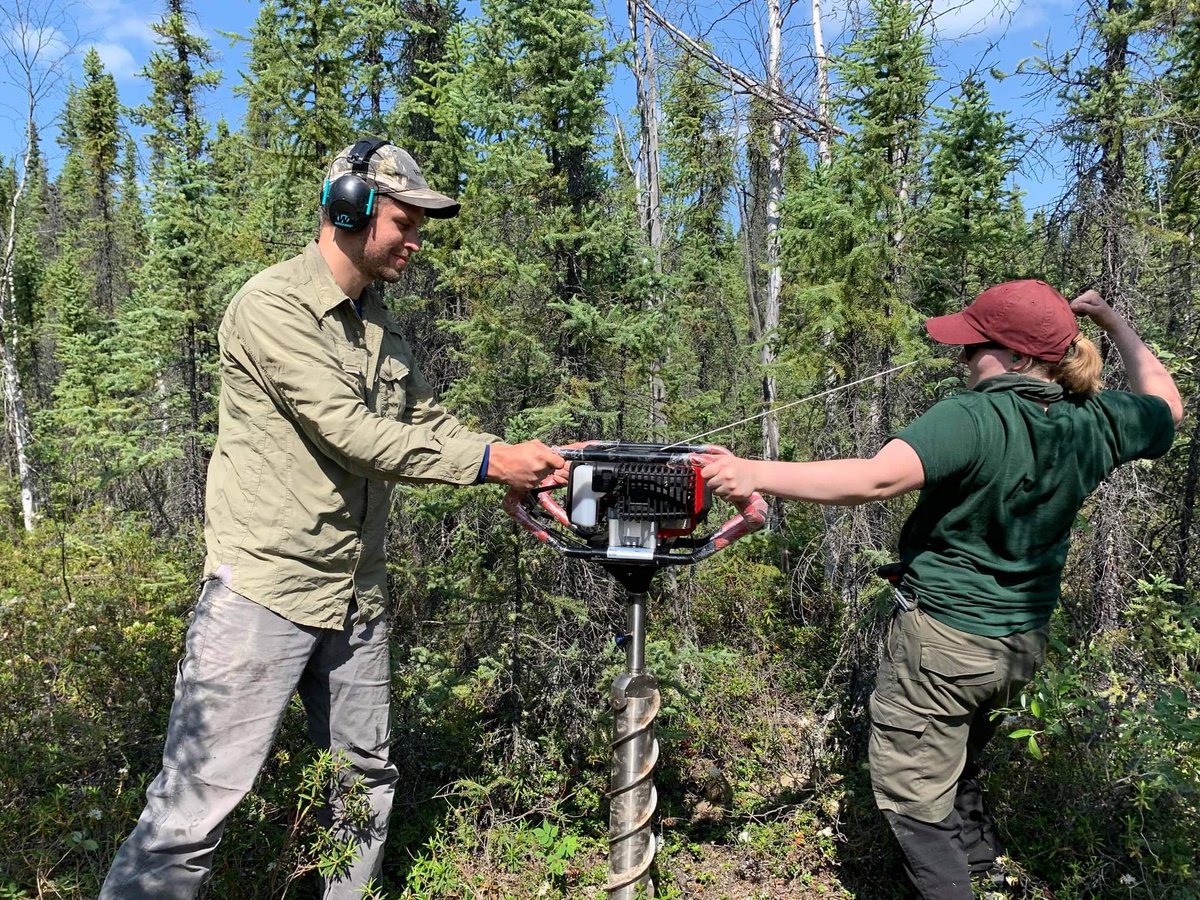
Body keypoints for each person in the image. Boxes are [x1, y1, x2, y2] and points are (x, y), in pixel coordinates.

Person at [101, 139, 566, 899]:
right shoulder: (272, 306)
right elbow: (350, 432)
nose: (417, 241)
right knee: (192, 812)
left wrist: (512, 460)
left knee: (365, 783)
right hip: (263, 592)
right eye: (405, 221)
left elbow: (429, 421)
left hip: (357, 596)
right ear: (348, 208)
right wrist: (490, 465)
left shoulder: (379, 323)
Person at [697, 281, 1183, 900]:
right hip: (1020, 647)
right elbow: (1168, 406)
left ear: (1015, 358)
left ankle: (957, 885)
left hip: (944, 647)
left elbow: (876, 480)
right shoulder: (1098, 419)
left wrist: (752, 471)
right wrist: (1114, 321)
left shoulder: (972, 415)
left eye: (974, 346)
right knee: (957, 763)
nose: (962, 358)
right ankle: (987, 874)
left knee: (914, 802)